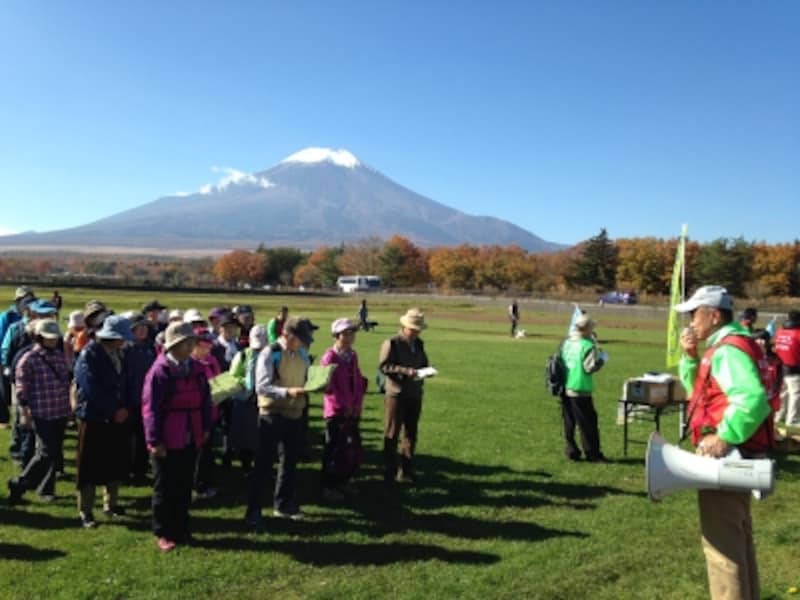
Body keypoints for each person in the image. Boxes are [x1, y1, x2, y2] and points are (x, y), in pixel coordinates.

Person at [675, 285, 772, 600]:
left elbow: (752, 400)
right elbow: (700, 396)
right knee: (737, 541)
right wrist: (689, 358)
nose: (690, 321)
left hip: (726, 458)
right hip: (741, 454)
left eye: (694, 313)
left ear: (713, 315)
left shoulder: (727, 350)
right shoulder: (733, 345)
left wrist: (724, 436)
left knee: (722, 549)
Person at [142, 322, 212, 552]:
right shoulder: (159, 371)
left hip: (191, 433)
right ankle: (163, 532)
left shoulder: (197, 369)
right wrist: (154, 440)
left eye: (193, 341)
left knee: (184, 485)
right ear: (176, 345)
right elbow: (151, 408)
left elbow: (205, 400)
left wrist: (205, 426)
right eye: (188, 342)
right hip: (167, 436)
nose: (193, 345)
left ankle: (182, 528)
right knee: (165, 487)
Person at [246, 316, 315, 526]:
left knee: (290, 463)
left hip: (295, 414)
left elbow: (306, 378)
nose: (305, 342)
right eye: (301, 338)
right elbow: (262, 387)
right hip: (271, 415)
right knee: (264, 464)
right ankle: (254, 510)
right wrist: (287, 392)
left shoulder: (302, 354)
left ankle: (283, 505)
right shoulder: (270, 353)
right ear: (287, 334)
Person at [73, 315, 134, 528]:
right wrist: (112, 409)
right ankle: (86, 511)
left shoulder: (121, 353)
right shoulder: (89, 354)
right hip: (93, 417)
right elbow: (90, 388)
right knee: (88, 465)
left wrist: (125, 408)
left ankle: (111, 504)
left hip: (117, 417)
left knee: (115, 462)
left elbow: (126, 382)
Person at [7, 319, 71, 505]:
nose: (52, 341)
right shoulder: (28, 359)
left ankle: (46, 488)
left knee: (54, 452)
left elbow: (65, 381)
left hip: (59, 410)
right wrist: (25, 412)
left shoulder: (58, 355)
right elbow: (22, 390)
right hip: (42, 412)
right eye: (48, 338)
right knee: (45, 452)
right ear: (38, 338)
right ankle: (20, 483)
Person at [379, 308, 430, 484]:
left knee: (411, 433)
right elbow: (385, 366)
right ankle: (389, 472)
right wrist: (404, 371)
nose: (416, 333)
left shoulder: (419, 344)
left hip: (415, 393)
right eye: (413, 329)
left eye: (418, 330)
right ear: (404, 326)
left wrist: (426, 371)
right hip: (396, 394)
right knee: (392, 433)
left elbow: (423, 363)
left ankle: (407, 470)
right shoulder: (392, 343)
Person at [320, 318, 366, 501]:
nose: (350, 336)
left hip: (352, 411)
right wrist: (344, 406)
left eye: (352, 333)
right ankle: (328, 486)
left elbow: (356, 382)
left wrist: (356, 405)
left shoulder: (352, 356)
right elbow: (329, 387)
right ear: (337, 335)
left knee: (350, 449)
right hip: (336, 411)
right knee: (333, 449)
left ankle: (344, 481)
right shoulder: (330, 357)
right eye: (346, 333)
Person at [559, 313, 608, 463]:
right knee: (588, 423)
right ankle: (592, 453)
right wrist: (602, 360)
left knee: (569, 422)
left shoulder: (567, 343)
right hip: (580, 388)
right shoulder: (587, 345)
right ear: (587, 329)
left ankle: (571, 450)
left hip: (565, 386)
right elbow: (589, 368)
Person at [123, 315, 157, 483]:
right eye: (139, 327)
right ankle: (127, 470)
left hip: (147, 399)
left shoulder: (151, 348)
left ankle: (140, 471)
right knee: (128, 439)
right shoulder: (126, 348)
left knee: (143, 437)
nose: (143, 330)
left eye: (145, 327)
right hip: (130, 399)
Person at [227, 325, 265, 473]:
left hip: (263, 401)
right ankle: (246, 467)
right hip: (245, 400)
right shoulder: (242, 356)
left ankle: (260, 466)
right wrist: (246, 382)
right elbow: (233, 377)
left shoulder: (271, 356)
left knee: (261, 436)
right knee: (245, 437)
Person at [0, 286, 35, 425]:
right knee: (5, 389)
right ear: (17, 301)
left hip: (28, 360)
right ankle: (3, 418)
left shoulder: (33, 314)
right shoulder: (7, 316)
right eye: (23, 299)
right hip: (9, 358)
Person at [773, 310, 800, 431]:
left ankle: (779, 416)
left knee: (783, 394)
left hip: (781, 367)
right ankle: (792, 420)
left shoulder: (780, 332)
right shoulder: (798, 333)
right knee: (795, 394)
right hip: (794, 368)